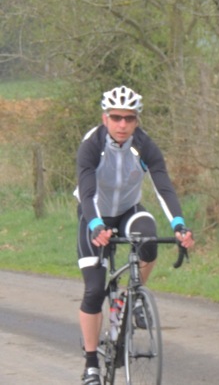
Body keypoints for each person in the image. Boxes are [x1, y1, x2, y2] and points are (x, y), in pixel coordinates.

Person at [74, 85, 194, 385]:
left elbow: (163, 187)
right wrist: (96, 225)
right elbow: (87, 193)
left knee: (148, 239)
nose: (122, 124)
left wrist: (179, 225)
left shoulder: (144, 145)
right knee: (94, 291)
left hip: (129, 210)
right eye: (116, 117)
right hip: (94, 214)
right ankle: (91, 363)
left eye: (129, 118)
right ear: (105, 118)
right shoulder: (91, 145)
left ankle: (133, 296)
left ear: (137, 120)